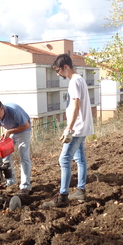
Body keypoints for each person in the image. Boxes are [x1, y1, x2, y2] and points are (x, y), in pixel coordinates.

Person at [42, 54, 94, 208]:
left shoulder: (74, 81)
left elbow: (76, 106)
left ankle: (63, 196)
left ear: (65, 67)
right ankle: (80, 191)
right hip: (82, 126)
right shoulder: (79, 79)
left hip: (77, 128)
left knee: (64, 159)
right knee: (80, 158)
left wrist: (69, 128)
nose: (58, 74)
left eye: (58, 70)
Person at [0, 99, 32, 197]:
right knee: (5, 157)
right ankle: (10, 181)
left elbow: (26, 126)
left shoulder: (14, 111)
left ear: (2, 109)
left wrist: (9, 131)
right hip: (10, 131)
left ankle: (25, 186)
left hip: (23, 130)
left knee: (24, 157)